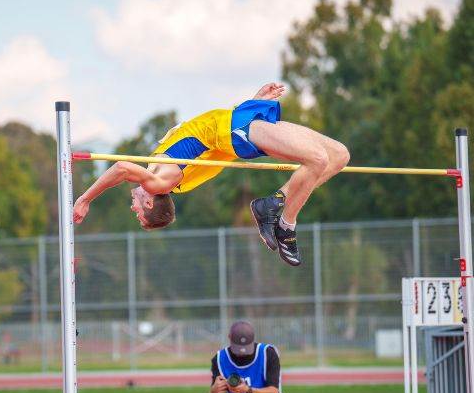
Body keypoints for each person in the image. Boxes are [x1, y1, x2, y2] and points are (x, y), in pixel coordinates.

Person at [73, 83, 350, 266]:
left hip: (238, 121)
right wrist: (86, 199)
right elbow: (121, 169)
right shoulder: (160, 182)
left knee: (339, 156)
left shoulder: (156, 165)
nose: (132, 207)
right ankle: (286, 223)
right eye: (138, 213)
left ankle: (273, 207)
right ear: (150, 202)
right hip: (236, 131)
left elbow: (207, 138)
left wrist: (251, 103)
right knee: (317, 159)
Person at [209, 320, 287, 393]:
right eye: (238, 348)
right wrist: (214, 392)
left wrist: (248, 390)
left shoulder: (267, 353)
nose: (242, 353)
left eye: (246, 348)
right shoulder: (220, 359)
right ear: (229, 338)